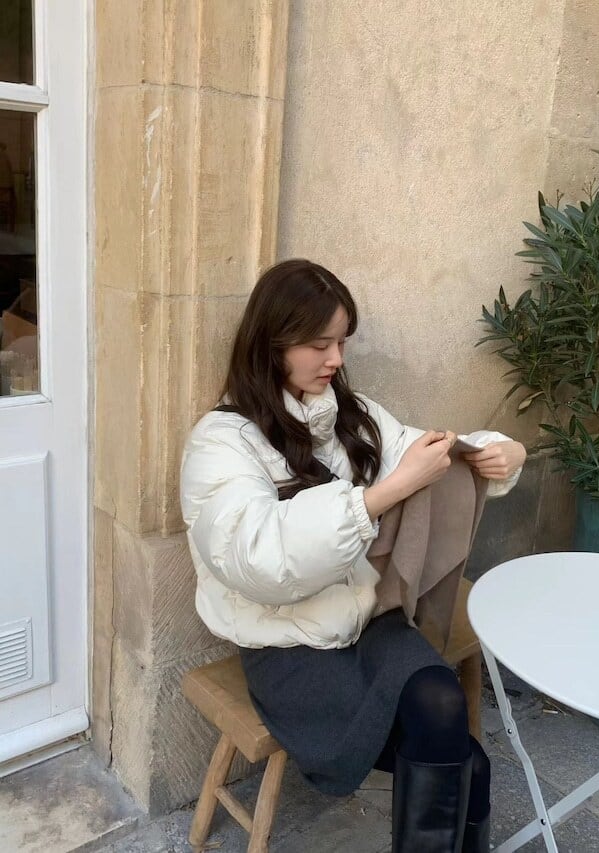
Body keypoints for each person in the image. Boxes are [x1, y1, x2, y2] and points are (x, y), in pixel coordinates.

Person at [181, 259, 526, 853]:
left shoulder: (351, 414)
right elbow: (259, 557)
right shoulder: (220, 442)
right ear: (271, 342)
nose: (336, 359)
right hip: (285, 643)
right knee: (463, 759)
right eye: (320, 344)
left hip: (366, 621)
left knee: (448, 713)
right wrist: (381, 495)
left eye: (341, 342)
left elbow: (427, 452)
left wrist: (500, 452)